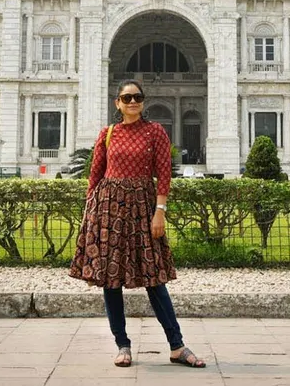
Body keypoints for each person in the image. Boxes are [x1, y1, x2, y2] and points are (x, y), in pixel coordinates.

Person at [69, 79, 206, 368]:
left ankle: (177, 345)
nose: (132, 102)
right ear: (117, 103)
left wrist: (160, 211)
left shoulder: (155, 132)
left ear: (143, 101)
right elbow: (95, 176)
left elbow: (164, 173)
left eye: (137, 97)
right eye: (126, 97)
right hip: (108, 209)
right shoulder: (107, 134)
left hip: (144, 208)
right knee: (110, 280)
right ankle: (122, 345)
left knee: (154, 278)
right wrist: (89, 214)